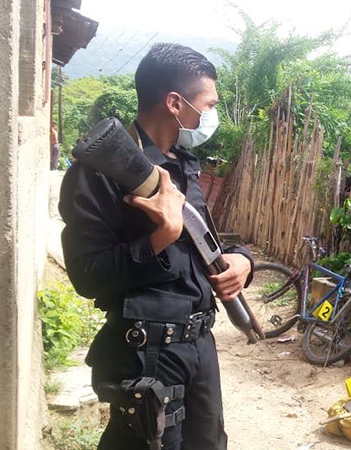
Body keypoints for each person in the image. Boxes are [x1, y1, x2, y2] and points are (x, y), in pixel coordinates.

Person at [59, 43, 254, 450]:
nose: (211, 115)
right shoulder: (97, 172)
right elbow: (87, 276)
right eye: (209, 104)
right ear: (174, 102)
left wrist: (242, 262)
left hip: (200, 347)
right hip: (146, 354)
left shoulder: (183, 164)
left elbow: (205, 242)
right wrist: (157, 240)